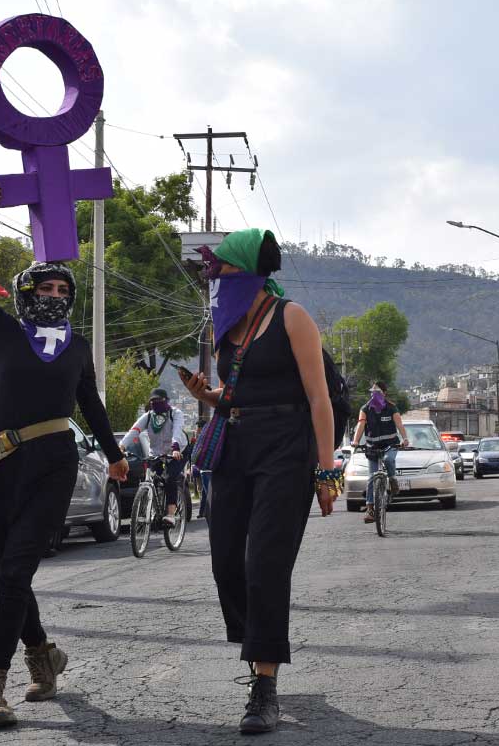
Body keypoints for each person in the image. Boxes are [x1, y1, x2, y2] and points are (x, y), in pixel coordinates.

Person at [0, 177, 129, 729]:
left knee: (18, 568)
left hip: (54, 465)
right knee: (8, 577)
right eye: (45, 290)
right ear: (26, 295)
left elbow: (91, 405)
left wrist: (116, 455)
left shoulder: (75, 348)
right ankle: (44, 656)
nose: (54, 297)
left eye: (61, 293)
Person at [181, 228, 339, 735]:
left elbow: (319, 398)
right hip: (235, 445)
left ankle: (264, 683)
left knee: (265, 563)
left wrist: (325, 469)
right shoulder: (223, 328)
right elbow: (234, 394)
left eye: (221, 269)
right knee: (226, 561)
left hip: (286, 449)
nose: (213, 277)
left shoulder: (292, 317)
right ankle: (258, 645)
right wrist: (209, 397)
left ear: (246, 272)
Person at [119, 388, 186, 527]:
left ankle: (171, 514)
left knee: (170, 478)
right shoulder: (149, 416)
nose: (156, 404)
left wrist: (175, 447)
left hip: (177, 451)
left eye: (159, 401)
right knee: (153, 477)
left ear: (166, 401)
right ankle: (154, 506)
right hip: (156, 452)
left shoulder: (175, 413)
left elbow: (177, 431)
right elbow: (134, 430)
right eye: (153, 402)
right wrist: (122, 446)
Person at [350, 381, 409, 524]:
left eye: (378, 393)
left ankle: (393, 479)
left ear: (384, 394)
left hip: (390, 445)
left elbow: (399, 424)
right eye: (372, 393)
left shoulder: (391, 408)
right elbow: (360, 425)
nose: (374, 395)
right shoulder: (365, 408)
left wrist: (405, 438)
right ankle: (370, 509)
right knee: (371, 478)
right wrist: (355, 441)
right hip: (372, 447)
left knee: (389, 460)